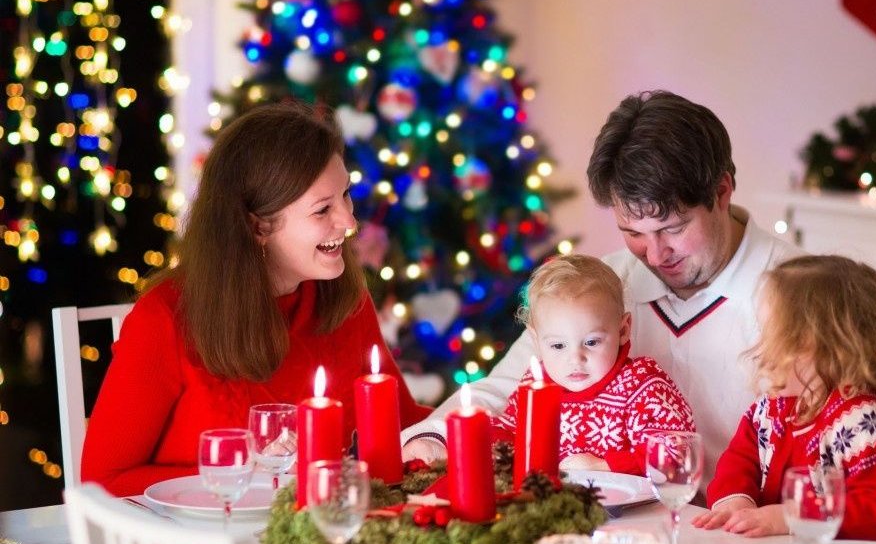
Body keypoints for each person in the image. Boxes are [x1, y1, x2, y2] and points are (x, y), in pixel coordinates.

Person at [403, 90, 800, 481]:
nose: (656, 255)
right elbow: (507, 387)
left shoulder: (802, 294)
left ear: (722, 192)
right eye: (633, 232)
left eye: (673, 229)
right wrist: (434, 437)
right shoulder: (604, 284)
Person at [81, 102, 431, 497]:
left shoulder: (344, 299)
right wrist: (243, 474)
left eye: (345, 195)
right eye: (322, 209)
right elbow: (101, 483)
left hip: (321, 543)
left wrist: (473, 427)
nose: (349, 222)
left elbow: (404, 424)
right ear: (258, 225)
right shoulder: (165, 318)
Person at [693, 255, 876, 539]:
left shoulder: (865, 421)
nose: (760, 350)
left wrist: (793, 516)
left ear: (833, 349)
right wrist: (735, 500)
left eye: (777, 339)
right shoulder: (773, 408)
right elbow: (739, 459)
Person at [491, 254, 695, 475]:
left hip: (633, 507)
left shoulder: (641, 384)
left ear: (623, 330)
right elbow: (507, 430)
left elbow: (676, 451)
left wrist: (604, 466)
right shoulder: (536, 384)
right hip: (551, 504)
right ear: (536, 339)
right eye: (558, 346)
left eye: (591, 342)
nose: (575, 358)